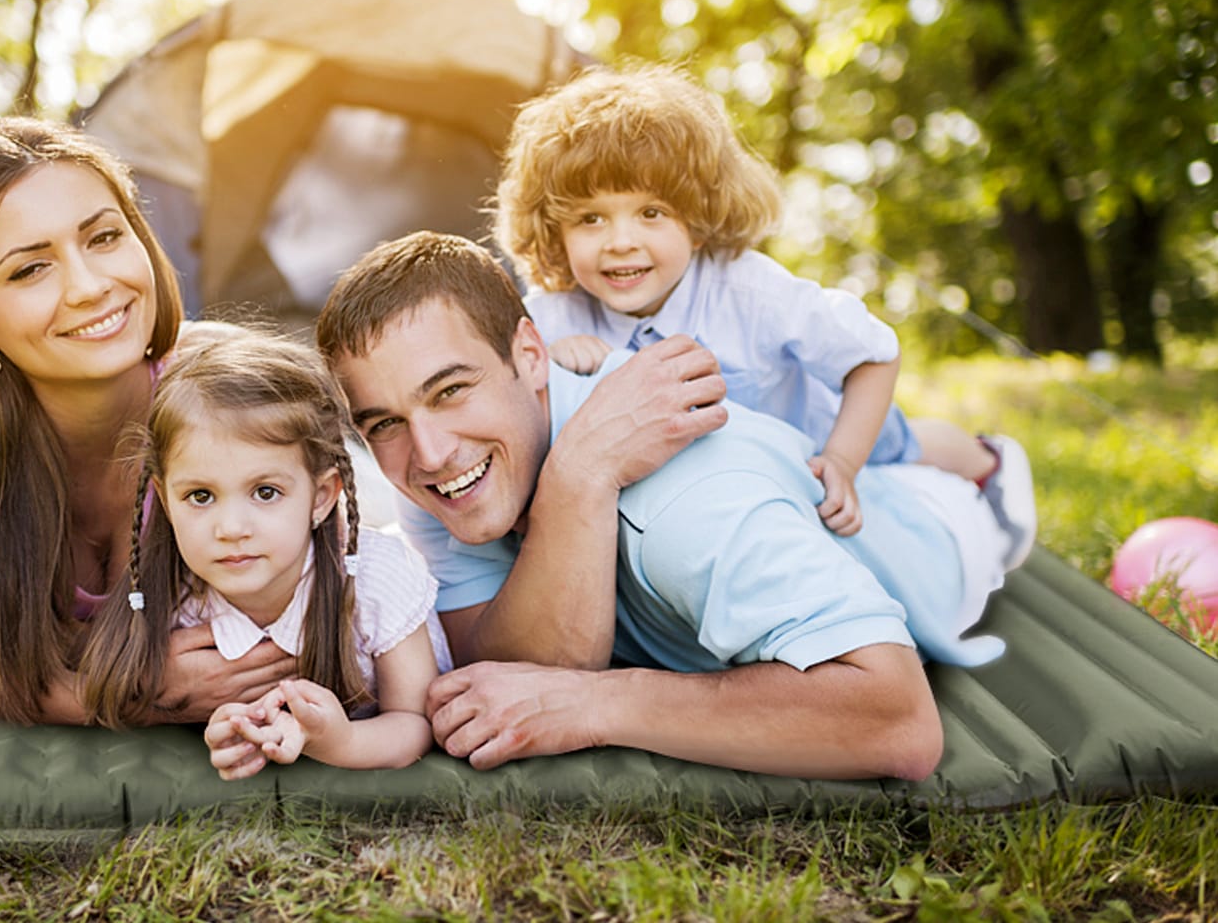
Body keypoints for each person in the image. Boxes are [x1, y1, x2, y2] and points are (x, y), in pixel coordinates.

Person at [316, 231, 1013, 780]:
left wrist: (600, 704)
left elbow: (896, 722)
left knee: (932, 458)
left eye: (450, 390)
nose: (430, 452)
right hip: (761, 492)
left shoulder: (690, 505)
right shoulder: (443, 476)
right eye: (383, 423)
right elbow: (497, 660)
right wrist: (576, 481)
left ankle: (994, 465)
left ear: (530, 354)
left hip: (936, 530)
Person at [0, 117, 295, 723]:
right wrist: (132, 692)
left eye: (104, 237)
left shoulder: (227, 392)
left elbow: (330, 622)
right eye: (29, 269)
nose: (90, 287)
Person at [494, 64, 1036, 566]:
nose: (620, 242)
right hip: (731, 478)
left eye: (651, 213)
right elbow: (514, 395)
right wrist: (556, 362)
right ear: (555, 231)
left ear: (698, 220)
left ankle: (988, 461)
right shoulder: (553, 319)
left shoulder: (750, 289)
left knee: (906, 445)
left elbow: (873, 355)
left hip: (820, 426)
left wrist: (843, 463)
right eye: (590, 219)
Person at [77, 327, 452, 776]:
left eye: (266, 492)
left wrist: (339, 741)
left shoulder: (379, 580)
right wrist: (223, 732)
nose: (231, 529)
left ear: (320, 496)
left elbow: (414, 723)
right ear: (165, 498)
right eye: (200, 496)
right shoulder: (173, 594)